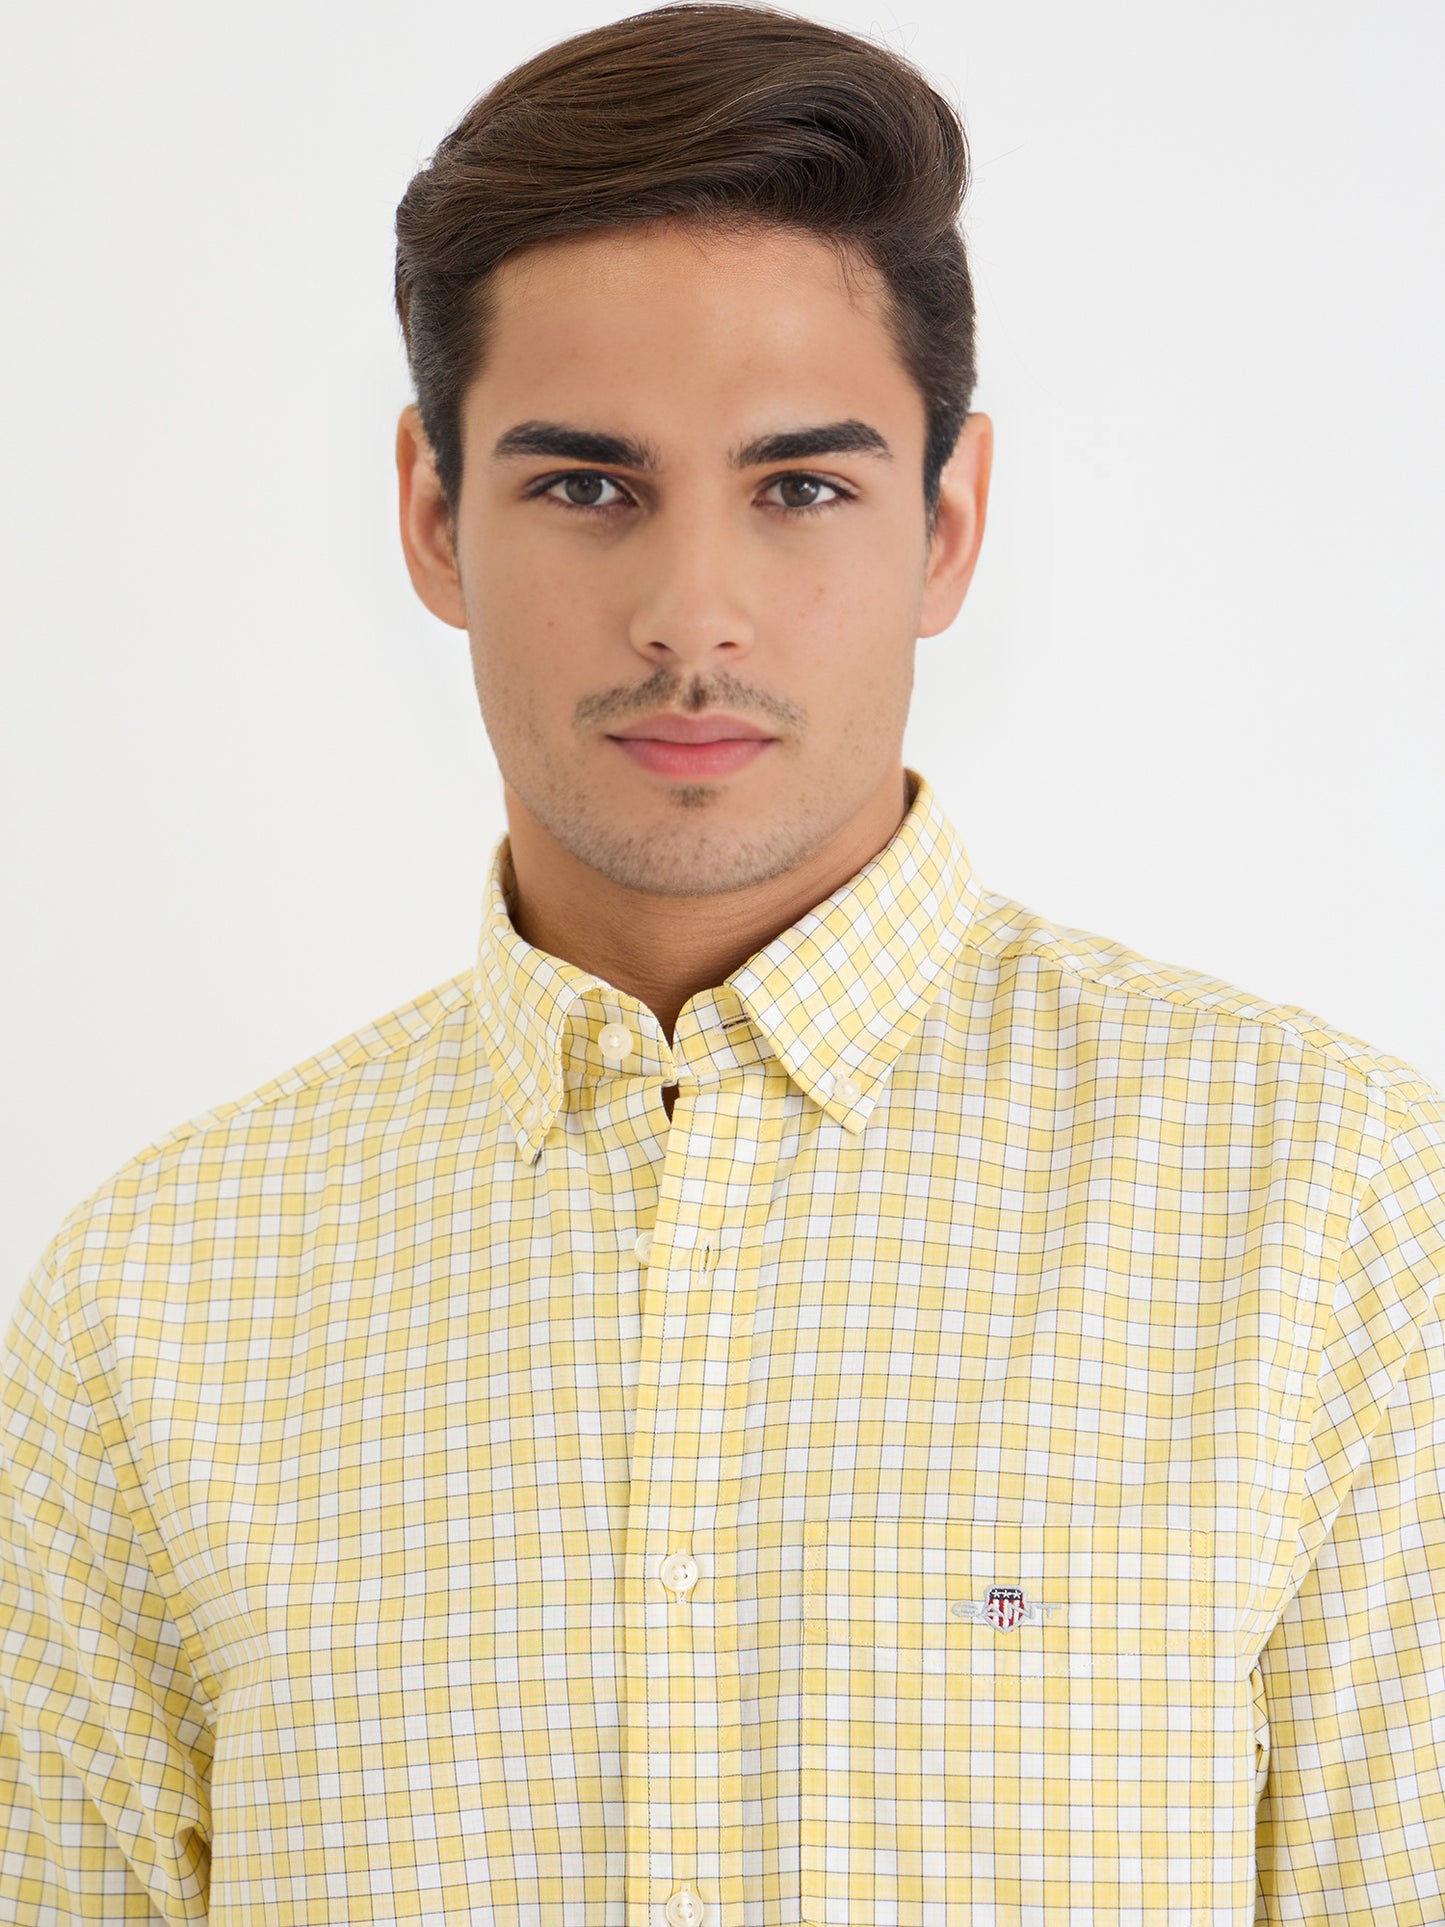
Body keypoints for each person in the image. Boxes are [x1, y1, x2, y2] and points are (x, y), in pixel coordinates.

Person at [3, 3, 1443, 1920]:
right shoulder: (157, 1305)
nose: (692, 618)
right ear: (433, 516)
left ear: (947, 524)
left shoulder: (1329, 1220)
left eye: (799, 489)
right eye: (586, 486)